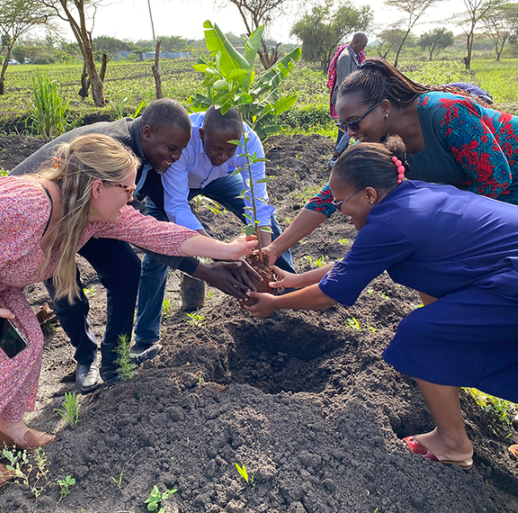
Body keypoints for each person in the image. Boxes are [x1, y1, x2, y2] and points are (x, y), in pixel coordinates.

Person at [0, 134, 256, 489]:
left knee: (26, 345)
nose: (133, 197)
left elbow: (160, 235)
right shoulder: (25, 205)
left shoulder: (91, 215)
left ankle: (12, 429)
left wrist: (226, 249)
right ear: (98, 188)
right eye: (127, 189)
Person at [245, 137, 518, 469]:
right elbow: (357, 263)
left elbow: (331, 294)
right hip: (505, 269)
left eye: (341, 202)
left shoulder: (390, 223)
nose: (339, 211)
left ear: (369, 194)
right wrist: (292, 281)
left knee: (422, 334)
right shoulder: (410, 197)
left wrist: (274, 304)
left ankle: (452, 444)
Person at [11, 99, 259, 392]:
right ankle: (85, 355)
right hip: (49, 219)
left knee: (127, 270)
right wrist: (207, 269)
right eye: (172, 149)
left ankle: (114, 361)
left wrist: (212, 262)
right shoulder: (115, 151)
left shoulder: (153, 161)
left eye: (180, 150)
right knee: (66, 287)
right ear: (148, 132)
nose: (177, 158)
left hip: (97, 217)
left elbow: (152, 232)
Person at [264, 57, 518, 267]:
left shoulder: (446, 113)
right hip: (480, 194)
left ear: (384, 107)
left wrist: (439, 221)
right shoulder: (376, 140)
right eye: (343, 126)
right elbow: (330, 195)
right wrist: (275, 248)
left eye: (354, 123)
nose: (350, 133)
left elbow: (496, 179)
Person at [133, 107, 296, 347]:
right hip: (176, 186)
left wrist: (265, 257)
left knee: (269, 224)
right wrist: (218, 253)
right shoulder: (183, 142)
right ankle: (145, 338)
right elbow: (177, 206)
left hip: (220, 180)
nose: (221, 157)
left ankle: (291, 292)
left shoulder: (249, 142)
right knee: (159, 249)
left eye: (230, 151)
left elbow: (258, 204)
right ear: (202, 135)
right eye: (216, 149)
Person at [327, 32, 368, 163]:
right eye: (362, 45)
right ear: (355, 43)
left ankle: (339, 156)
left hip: (351, 99)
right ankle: (337, 157)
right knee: (346, 128)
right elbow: (345, 82)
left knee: (348, 128)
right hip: (346, 100)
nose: (363, 49)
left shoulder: (354, 55)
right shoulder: (345, 57)